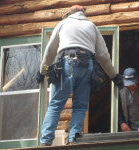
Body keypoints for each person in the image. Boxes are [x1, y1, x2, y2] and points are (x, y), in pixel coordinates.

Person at [38, 5, 122, 145]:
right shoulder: (91, 26)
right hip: (87, 64)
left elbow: (50, 53)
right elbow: (103, 56)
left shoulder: (63, 24)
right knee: (80, 106)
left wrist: (43, 71)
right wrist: (114, 76)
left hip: (66, 62)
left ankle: (45, 141)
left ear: (70, 12)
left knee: (56, 104)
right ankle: (73, 139)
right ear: (83, 13)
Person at [119, 68, 139, 132]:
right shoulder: (122, 92)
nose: (130, 86)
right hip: (130, 130)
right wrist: (122, 122)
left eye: (132, 84)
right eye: (128, 84)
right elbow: (119, 110)